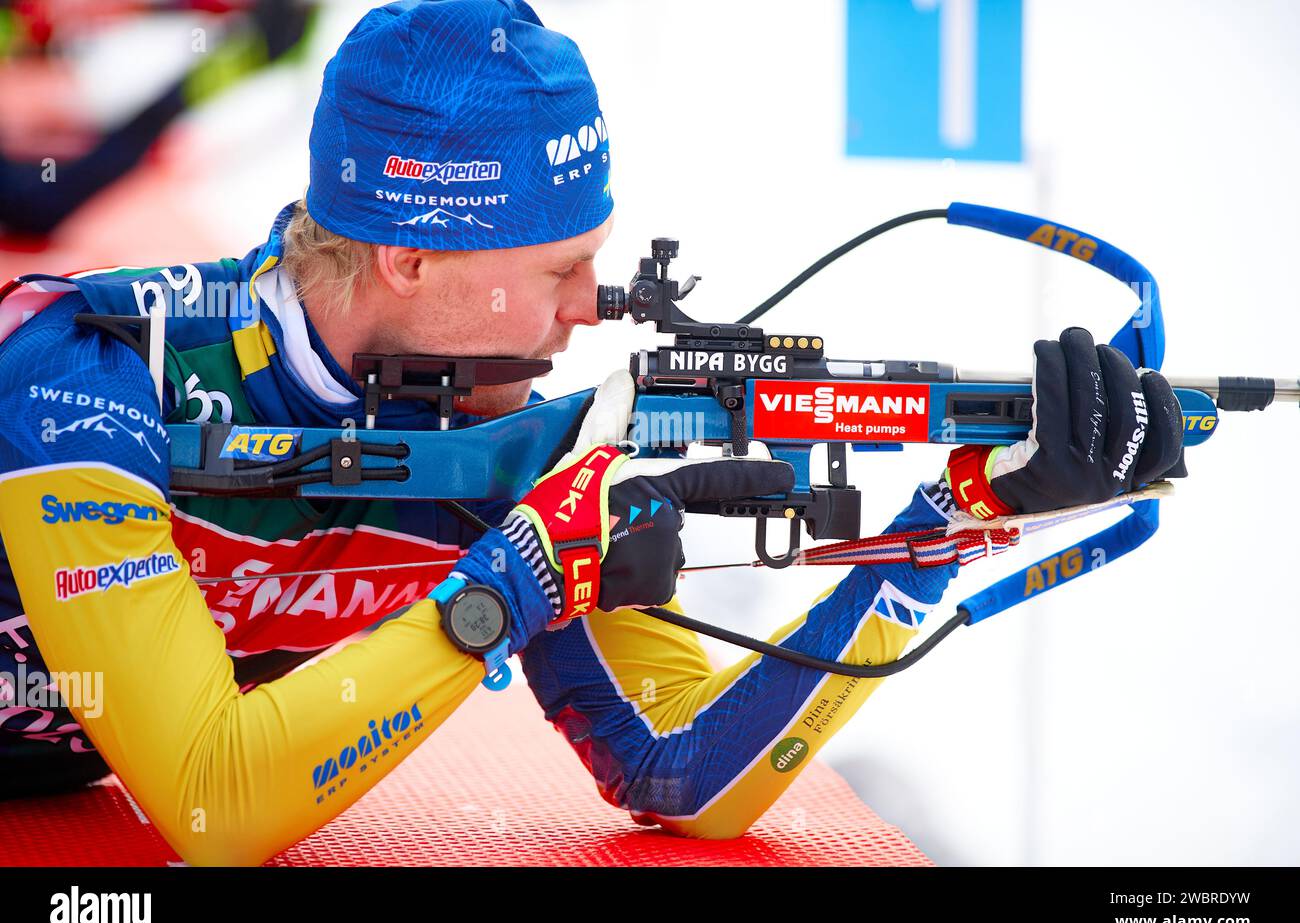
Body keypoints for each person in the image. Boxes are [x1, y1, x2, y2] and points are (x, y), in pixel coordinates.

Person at [0, 0, 1185, 865]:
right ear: (412, 257)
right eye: (564, 267)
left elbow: (678, 775)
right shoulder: (83, 365)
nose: (590, 307)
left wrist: (947, 529)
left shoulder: (488, 426)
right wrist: (505, 591)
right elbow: (211, 802)